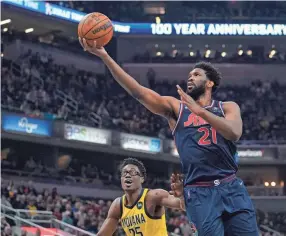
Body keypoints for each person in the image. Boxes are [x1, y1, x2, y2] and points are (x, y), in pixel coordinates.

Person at [79, 38, 259, 235]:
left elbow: (234, 133)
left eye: (196, 75)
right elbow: (138, 92)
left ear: (210, 82)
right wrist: (105, 56)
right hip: (199, 191)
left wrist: (200, 112)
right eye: (189, 75)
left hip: (230, 185)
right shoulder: (177, 108)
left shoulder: (227, 107)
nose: (190, 78)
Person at [96, 157, 185, 236]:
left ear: (142, 178)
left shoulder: (153, 196)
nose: (127, 175)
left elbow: (183, 206)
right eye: (124, 173)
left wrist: (181, 196)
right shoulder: (118, 205)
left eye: (133, 172)